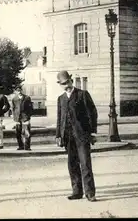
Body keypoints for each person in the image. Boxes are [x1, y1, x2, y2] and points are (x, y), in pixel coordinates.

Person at [56, 71, 98, 202]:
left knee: (85, 163)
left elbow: (92, 113)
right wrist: (58, 135)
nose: (66, 86)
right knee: (72, 164)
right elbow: (60, 118)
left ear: (71, 81)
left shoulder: (82, 95)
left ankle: (90, 193)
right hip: (68, 137)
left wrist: (91, 133)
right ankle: (77, 191)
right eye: (63, 84)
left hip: (82, 136)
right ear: (60, 85)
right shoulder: (61, 99)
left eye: (67, 82)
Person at [11, 86, 33, 151]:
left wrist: (28, 116)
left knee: (27, 132)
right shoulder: (14, 99)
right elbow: (13, 108)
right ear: (16, 91)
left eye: (20, 90)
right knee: (18, 133)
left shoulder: (27, 98)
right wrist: (14, 117)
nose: (19, 92)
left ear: (22, 90)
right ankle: (20, 146)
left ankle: (27, 146)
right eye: (17, 90)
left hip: (25, 117)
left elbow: (30, 108)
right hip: (17, 118)